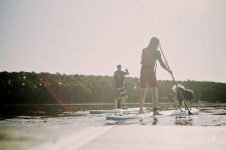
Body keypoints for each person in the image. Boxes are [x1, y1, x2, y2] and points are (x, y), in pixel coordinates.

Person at [139, 37, 171, 116]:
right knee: (154, 91)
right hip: (150, 70)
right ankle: (155, 111)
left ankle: (141, 110)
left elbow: (141, 61)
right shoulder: (157, 52)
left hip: (143, 70)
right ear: (156, 43)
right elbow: (161, 63)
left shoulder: (144, 50)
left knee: (143, 91)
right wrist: (168, 70)